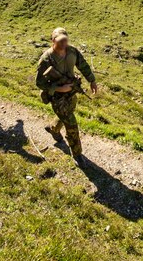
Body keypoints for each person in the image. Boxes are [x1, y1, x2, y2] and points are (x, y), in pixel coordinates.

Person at [36, 27, 98, 166]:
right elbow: (39, 82)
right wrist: (58, 88)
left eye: (65, 40)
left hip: (71, 92)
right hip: (57, 97)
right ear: (53, 41)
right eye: (59, 41)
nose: (63, 43)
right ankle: (77, 154)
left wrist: (92, 81)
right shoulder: (46, 58)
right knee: (71, 123)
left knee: (67, 114)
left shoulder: (72, 51)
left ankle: (53, 128)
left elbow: (83, 65)